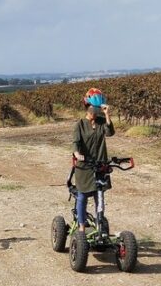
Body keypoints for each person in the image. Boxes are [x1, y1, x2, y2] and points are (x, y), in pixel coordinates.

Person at [71, 87, 115, 233]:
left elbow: (110, 133)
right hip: (84, 166)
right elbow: (75, 143)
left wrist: (107, 114)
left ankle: (99, 224)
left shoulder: (102, 121)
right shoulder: (80, 125)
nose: (96, 111)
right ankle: (82, 226)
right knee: (82, 196)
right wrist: (77, 154)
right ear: (88, 107)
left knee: (99, 195)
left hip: (100, 165)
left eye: (99, 108)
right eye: (94, 108)